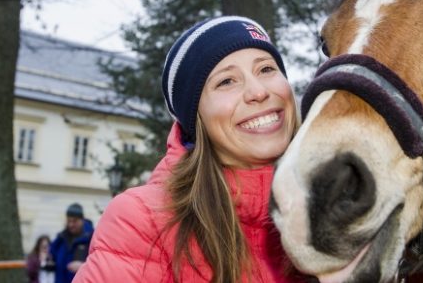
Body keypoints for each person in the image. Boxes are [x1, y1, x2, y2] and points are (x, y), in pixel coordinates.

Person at [73, 16, 301, 283]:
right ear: (196, 117)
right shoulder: (143, 220)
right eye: (226, 81)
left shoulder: (341, 202)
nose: (258, 91)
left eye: (266, 69)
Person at [51, 203, 93, 283]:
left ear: (82, 220)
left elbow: (98, 264)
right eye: (69, 221)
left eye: (74, 221)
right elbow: (51, 255)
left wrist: (84, 266)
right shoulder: (61, 238)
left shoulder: (92, 238)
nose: (71, 224)